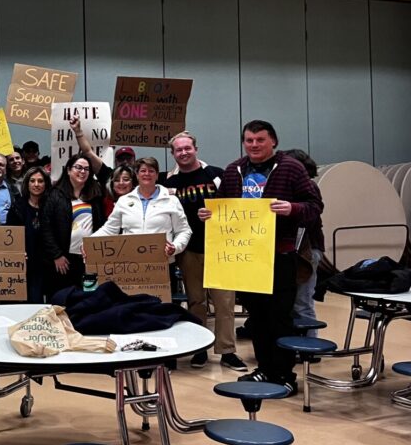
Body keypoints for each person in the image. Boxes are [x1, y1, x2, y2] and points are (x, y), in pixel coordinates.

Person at [199, 120, 323, 397]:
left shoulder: (291, 168)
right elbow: (222, 203)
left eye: (260, 140)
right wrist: (209, 214)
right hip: (246, 257)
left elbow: (315, 206)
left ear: (273, 141)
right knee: (257, 317)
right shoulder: (234, 170)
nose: (254, 145)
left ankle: (285, 374)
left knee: (279, 317)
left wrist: (292, 208)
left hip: (280, 255)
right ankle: (265, 369)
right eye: (249, 140)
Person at [162, 132, 244, 372]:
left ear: (196, 148)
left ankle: (227, 351)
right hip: (189, 251)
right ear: (173, 154)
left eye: (187, 148)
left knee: (225, 303)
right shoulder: (168, 183)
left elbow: (237, 205)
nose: (184, 153)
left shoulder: (217, 175)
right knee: (195, 301)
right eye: (179, 150)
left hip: (221, 249)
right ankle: (200, 349)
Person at [94, 157, 192, 263]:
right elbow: (109, 229)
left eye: (151, 171)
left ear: (157, 175)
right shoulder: (123, 201)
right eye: (143, 171)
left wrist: (175, 247)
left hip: (162, 263)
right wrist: (89, 243)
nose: (147, 174)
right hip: (131, 264)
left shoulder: (171, 200)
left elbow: (183, 230)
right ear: (137, 175)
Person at [40, 153, 110, 294]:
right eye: (78, 167)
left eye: (86, 169)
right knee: (64, 298)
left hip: (89, 259)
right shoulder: (54, 195)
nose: (82, 172)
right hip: (64, 259)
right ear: (68, 170)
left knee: (89, 298)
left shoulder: (95, 194)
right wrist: (56, 255)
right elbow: (46, 227)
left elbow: (102, 225)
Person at [279, 149, 325, 335]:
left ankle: (309, 347)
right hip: (301, 250)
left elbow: (309, 218)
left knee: (302, 302)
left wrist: (290, 211)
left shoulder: (308, 188)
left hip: (307, 250)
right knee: (297, 301)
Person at [7, 165, 52, 303]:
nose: (36, 184)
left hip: (50, 263)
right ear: (27, 184)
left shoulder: (52, 205)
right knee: (32, 303)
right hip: (27, 264)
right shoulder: (17, 207)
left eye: (40, 181)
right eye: (32, 181)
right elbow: (10, 235)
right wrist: (16, 252)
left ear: (46, 183)